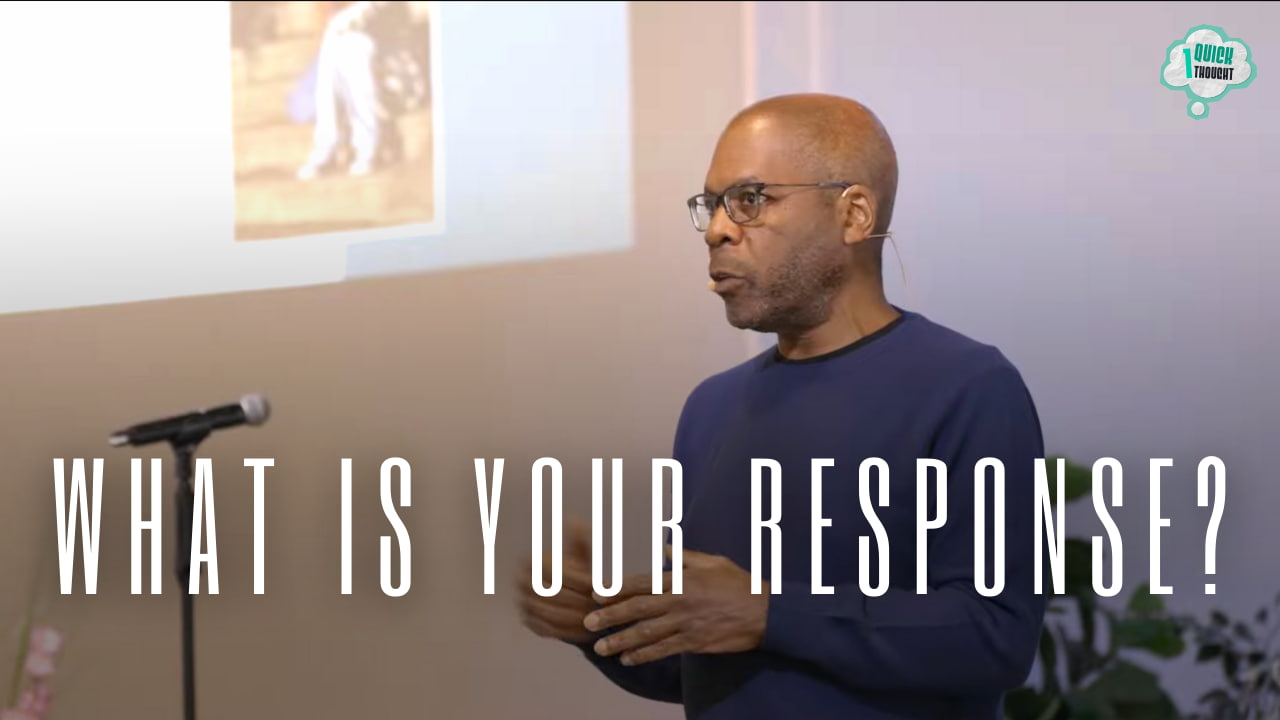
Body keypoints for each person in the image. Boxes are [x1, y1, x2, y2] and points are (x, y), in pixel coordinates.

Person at [516, 93, 1047, 719]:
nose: (717, 229)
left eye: (750, 199)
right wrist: (597, 622)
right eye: (711, 204)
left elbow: (995, 637)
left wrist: (769, 613)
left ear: (853, 214)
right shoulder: (711, 408)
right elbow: (701, 665)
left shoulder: (967, 387)